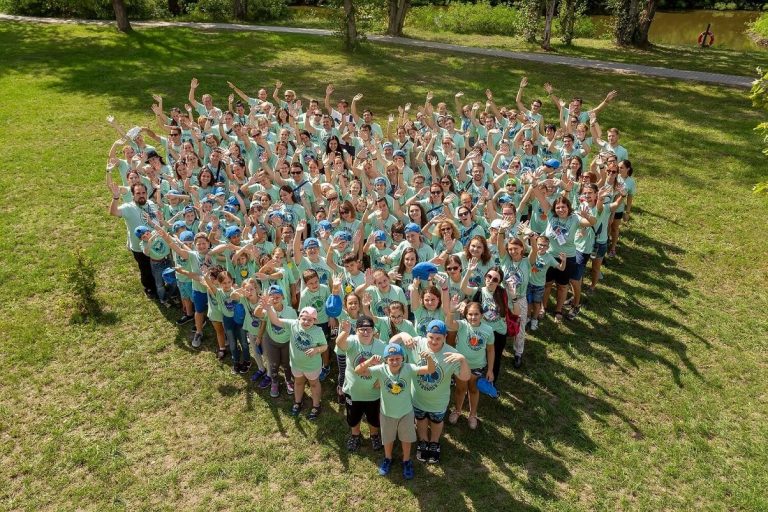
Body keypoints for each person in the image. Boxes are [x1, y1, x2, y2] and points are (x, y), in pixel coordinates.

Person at [392, 320, 470, 465]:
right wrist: (402, 334)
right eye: (431, 337)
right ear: (425, 335)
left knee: (436, 421)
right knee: (420, 420)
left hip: (438, 401)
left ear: (445, 337)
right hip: (417, 398)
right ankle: (423, 440)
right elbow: (391, 346)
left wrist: (463, 360)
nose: (434, 341)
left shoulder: (451, 354)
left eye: (438, 338)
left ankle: (434, 442)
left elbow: (465, 377)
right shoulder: (416, 343)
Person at [355, 343, 436, 480]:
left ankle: (406, 460)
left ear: (403, 359)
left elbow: (430, 370)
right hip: (387, 413)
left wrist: (429, 359)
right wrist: (369, 361)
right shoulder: (381, 369)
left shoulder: (408, 368)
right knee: (388, 438)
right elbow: (358, 370)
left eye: (398, 358)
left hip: (405, 412)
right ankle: (388, 458)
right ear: (386, 360)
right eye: (391, 359)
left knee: (406, 438)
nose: (394, 362)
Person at [263, 302, 327, 420]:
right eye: (304, 319)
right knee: (298, 382)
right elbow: (275, 321)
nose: (306, 322)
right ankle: (298, 402)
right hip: (297, 365)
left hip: (312, 366)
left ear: (315, 321)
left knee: (314, 384)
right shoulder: (293, 324)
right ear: (299, 317)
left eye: (310, 320)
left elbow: (325, 346)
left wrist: (317, 349)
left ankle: (316, 405)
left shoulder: (318, 331)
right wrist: (268, 308)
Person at [336, 316, 387, 452]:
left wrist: (381, 380)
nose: (365, 332)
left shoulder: (381, 345)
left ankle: (374, 435)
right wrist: (345, 331)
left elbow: (388, 366)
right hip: (353, 391)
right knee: (353, 417)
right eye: (362, 329)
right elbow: (340, 344)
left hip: (373, 393)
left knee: (374, 418)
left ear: (374, 330)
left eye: (368, 329)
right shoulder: (352, 341)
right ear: (356, 331)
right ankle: (355, 435)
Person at [446, 300, 495, 428]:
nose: (473, 317)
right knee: (460, 389)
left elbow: (490, 350)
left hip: (478, 366)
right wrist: (451, 311)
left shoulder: (488, 330)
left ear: (482, 315)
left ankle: (473, 414)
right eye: (470, 314)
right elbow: (449, 324)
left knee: (473, 390)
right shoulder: (462, 325)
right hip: (460, 366)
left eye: (476, 314)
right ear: (465, 315)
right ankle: (457, 410)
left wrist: (490, 370)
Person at [108, 181, 159, 299]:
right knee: (145, 269)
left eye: (143, 192)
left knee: (156, 266)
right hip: (139, 247)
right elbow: (113, 212)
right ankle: (150, 288)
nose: (141, 195)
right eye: (138, 193)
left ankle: (159, 285)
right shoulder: (128, 207)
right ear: (132, 195)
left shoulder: (151, 203)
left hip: (155, 243)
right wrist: (116, 197)